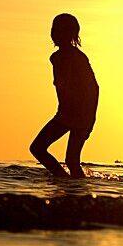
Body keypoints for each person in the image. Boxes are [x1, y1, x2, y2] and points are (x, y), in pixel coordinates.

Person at [30, 13, 99, 178]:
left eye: (61, 31)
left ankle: (78, 193)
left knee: (72, 159)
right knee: (37, 148)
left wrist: (90, 119)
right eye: (54, 29)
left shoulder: (79, 59)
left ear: (71, 34)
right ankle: (63, 180)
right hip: (64, 114)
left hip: (82, 115)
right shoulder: (55, 58)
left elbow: (94, 88)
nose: (55, 34)